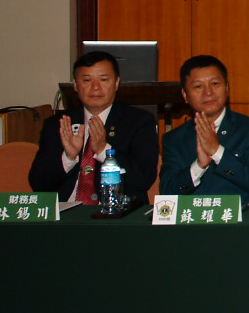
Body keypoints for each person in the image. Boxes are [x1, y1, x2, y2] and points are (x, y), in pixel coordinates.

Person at [28, 50, 158, 203]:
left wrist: (103, 150)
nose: (95, 87)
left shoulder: (138, 121)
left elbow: (143, 178)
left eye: (103, 80)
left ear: (116, 83)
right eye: (87, 80)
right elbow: (38, 183)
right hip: (65, 211)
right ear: (75, 85)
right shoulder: (60, 124)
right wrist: (68, 157)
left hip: (117, 211)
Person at [159, 55, 249, 205]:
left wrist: (217, 151)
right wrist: (199, 166)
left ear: (227, 88)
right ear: (185, 95)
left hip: (242, 217)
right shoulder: (174, 138)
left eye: (214, 83)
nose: (208, 92)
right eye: (198, 86)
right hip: (194, 217)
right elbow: (167, 193)